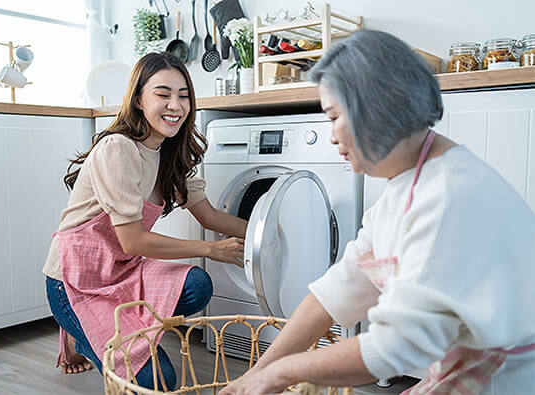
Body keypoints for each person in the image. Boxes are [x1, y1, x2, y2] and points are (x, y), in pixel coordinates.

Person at [220, 30, 535, 395]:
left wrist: (281, 374)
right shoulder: (406, 185)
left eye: (334, 116)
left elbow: (392, 349)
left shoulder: (447, 195)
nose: (332, 136)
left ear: (376, 106)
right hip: (466, 369)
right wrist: (257, 372)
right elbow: (342, 287)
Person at [43, 52, 247, 389]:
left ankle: (101, 335)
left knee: (198, 286)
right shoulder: (118, 149)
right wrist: (211, 250)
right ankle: (86, 333)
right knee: (160, 382)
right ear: (138, 99)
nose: (176, 105)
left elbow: (210, 216)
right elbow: (133, 241)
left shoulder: (170, 152)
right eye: (163, 94)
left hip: (120, 270)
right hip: (75, 281)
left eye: (183, 96)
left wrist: (265, 230)